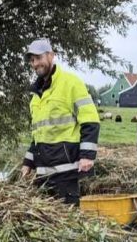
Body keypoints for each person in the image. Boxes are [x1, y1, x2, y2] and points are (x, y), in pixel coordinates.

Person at [20, 38, 100, 206]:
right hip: (43, 173)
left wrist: (87, 156)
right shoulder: (35, 96)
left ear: (51, 55)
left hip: (66, 171)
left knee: (68, 223)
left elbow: (90, 119)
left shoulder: (71, 83)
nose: (35, 63)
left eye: (39, 58)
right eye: (32, 60)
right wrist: (28, 163)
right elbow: (39, 135)